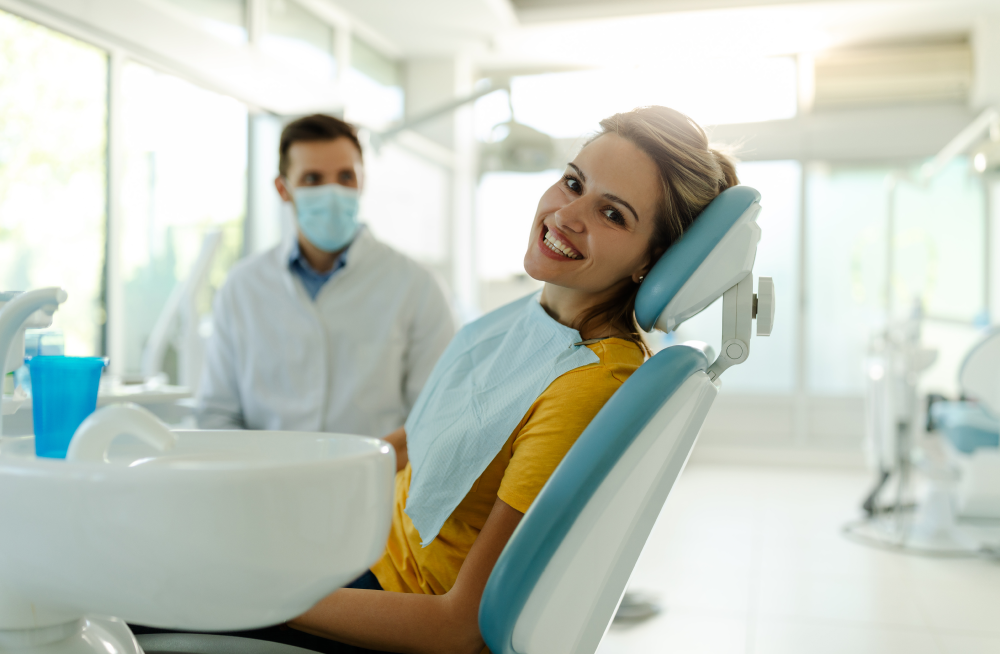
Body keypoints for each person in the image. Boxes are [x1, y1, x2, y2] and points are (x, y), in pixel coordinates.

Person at [181, 106, 738, 652]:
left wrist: (264, 591)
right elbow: (420, 436)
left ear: (653, 259)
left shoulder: (587, 381)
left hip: (393, 606)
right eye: (573, 183)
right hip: (363, 548)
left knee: (158, 595)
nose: (568, 216)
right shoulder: (534, 318)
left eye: (613, 214)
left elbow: (459, 627)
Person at [196, 114, 455, 437]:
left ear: (362, 181)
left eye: (345, 176)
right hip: (265, 484)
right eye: (312, 179)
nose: (332, 192)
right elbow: (217, 414)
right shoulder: (242, 287)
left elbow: (436, 416)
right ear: (283, 188)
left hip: (373, 484)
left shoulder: (417, 286)